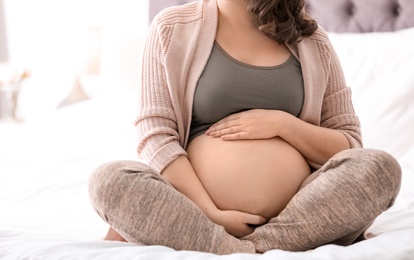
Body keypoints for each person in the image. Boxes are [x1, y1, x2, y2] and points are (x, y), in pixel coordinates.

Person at [88, 0, 402, 254]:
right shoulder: (171, 28)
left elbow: (348, 144)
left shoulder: (313, 40)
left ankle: (240, 247)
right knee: (108, 180)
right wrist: (209, 213)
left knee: (380, 167)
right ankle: (228, 242)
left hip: (299, 215)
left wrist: (283, 125)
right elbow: (155, 130)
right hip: (194, 212)